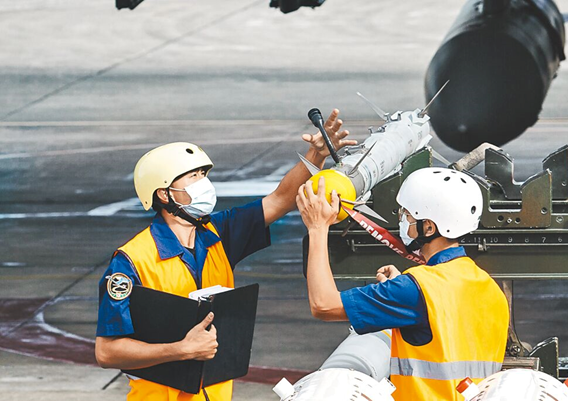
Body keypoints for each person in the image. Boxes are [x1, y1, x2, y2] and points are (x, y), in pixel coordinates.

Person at [94, 110, 356, 401]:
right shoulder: (130, 261)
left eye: (204, 174)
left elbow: (281, 199)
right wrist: (181, 349)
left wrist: (315, 156)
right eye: (193, 176)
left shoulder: (217, 233)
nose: (203, 182)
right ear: (164, 195)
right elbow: (107, 351)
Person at [296, 167, 509, 400]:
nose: (402, 221)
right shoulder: (489, 288)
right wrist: (403, 292)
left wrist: (317, 228)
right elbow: (447, 330)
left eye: (407, 215)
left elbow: (324, 305)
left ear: (428, 227)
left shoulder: (416, 289)